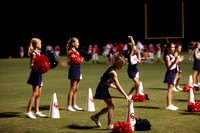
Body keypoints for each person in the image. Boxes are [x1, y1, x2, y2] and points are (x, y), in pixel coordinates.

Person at [90, 55, 132, 130]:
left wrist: (115, 88)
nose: (122, 67)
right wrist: (126, 96)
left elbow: (107, 82)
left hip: (103, 88)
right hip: (102, 89)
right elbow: (118, 85)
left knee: (109, 106)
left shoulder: (112, 69)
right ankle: (109, 125)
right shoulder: (113, 72)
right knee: (111, 106)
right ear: (117, 63)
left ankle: (95, 117)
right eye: (121, 65)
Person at [25, 38, 46, 119]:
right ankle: (28, 112)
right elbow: (31, 65)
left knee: (39, 94)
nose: (41, 45)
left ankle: (36, 111)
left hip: (39, 74)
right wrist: (38, 65)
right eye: (40, 43)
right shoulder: (34, 53)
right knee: (34, 93)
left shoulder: (38, 53)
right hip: (35, 74)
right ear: (36, 45)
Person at [66, 37, 84, 111]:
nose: (78, 44)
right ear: (73, 43)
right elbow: (69, 62)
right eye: (77, 42)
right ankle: (68, 106)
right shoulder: (70, 52)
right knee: (72, 88)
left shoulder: (77, 52)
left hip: (78, 70)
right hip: (73, 70)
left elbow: (79, 61)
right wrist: (73, 59)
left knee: (76, 88)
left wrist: (81, 58)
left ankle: (74, 104)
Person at [163, 42, 179, 111]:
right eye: (172, 47)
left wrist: (177, 60)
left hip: (173, 73)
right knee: (169, 90)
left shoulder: (172, 56)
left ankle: (170, 104)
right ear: (168, 48)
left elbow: (174, 65)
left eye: (174, 47)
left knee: (172, 90)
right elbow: (169, 67)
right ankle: (168, 105)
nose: (173, 49)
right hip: (170, 73)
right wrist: (175, 60)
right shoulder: (167, 56)